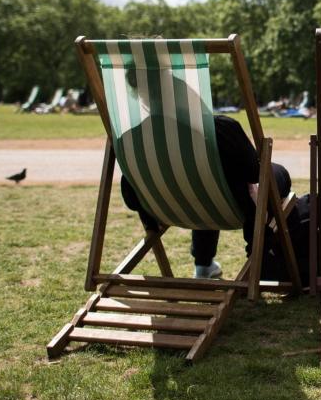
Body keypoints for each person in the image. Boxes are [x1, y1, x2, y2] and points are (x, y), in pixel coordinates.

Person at [117, 67, 293, 279]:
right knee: (276, 174)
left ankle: (203, 264)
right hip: (226, 207)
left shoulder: (132, 140)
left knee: (202, 184)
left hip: (169, 210)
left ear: (143, 97)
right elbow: (255, 173)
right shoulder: (219, 129)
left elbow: (131, 198)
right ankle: (263, 259)